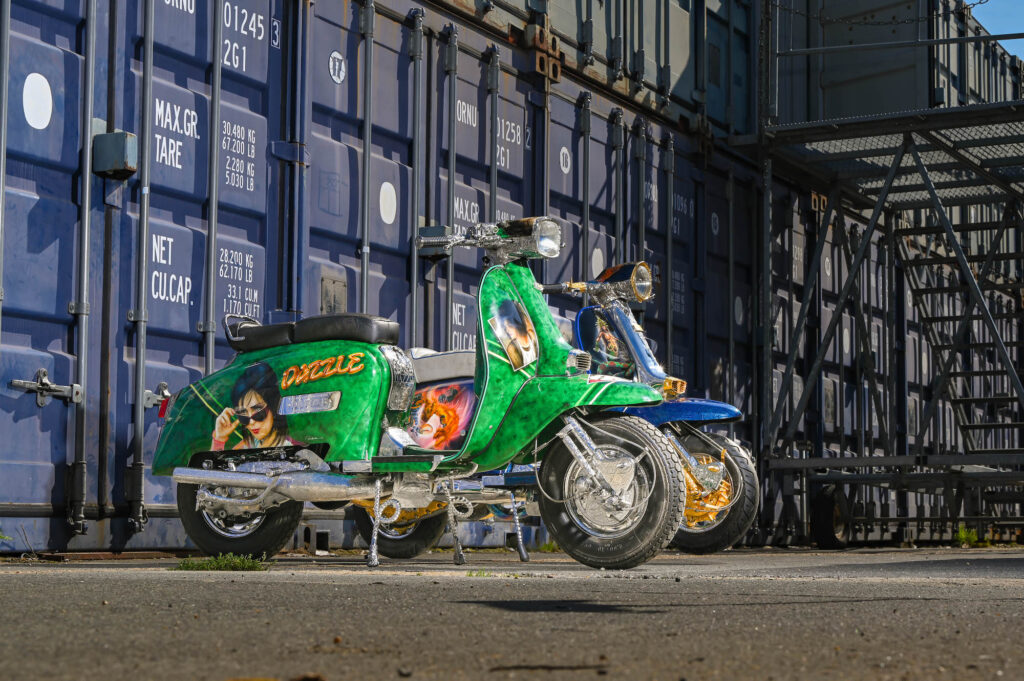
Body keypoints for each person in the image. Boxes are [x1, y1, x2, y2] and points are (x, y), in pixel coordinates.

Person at [211, 362, 293, 450]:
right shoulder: (250, 443)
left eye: (258, 411)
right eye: (243, 415)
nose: (251, 422)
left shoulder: (290, 447)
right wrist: (219, 438)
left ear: (273, 406)